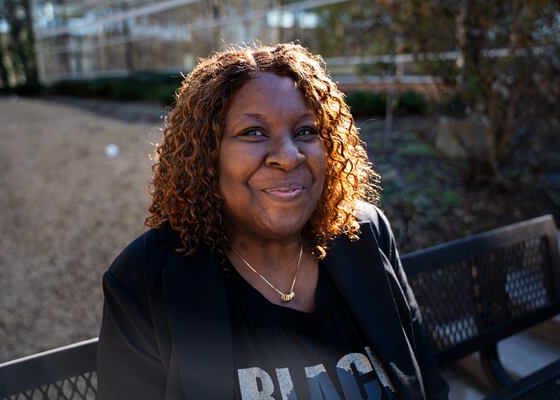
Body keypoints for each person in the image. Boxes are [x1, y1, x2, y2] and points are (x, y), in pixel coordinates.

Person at [97, 43, 449, 400]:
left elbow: (429, 387)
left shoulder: (365, 233)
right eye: (254, 132)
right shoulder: (146, 276)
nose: (288, 156)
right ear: (207, 155)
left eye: (306, 131)